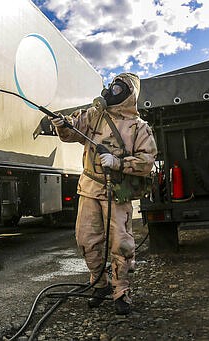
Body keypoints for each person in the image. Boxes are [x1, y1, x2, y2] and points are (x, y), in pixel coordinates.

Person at [50, 73, 157, 315]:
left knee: (121, 243)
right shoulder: (95, 115)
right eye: (111, 86)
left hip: (117, 193)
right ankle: (99, 285)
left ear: (129, 94)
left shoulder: (139, 128)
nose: (112, 90)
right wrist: (62, 125)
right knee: (86, 240)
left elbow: (147, 161)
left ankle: (121, 291)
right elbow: (73, 132)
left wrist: (118, 162)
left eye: (118, 88)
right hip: (89, 188)